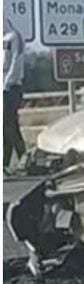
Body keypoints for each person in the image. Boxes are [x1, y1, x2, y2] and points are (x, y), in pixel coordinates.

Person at [3, 17, 26, 173]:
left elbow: (16, 61)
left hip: (11, 88)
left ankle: (23, 158)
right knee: (6, 128)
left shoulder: (14, 36)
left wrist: (7, 83)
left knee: (10, 126)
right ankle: (6, 164)